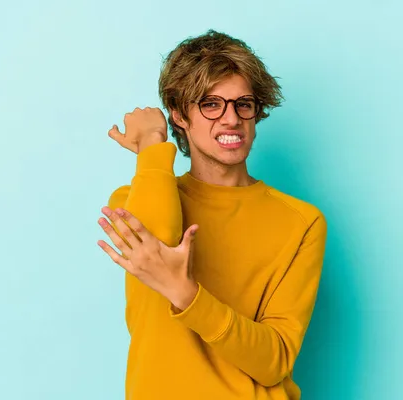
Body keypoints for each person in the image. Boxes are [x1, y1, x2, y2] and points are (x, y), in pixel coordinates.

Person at [97, 30, 328, 400]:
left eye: (243, 104)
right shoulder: (135, 198)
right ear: (178, 114)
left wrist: (186, 294)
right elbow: (160, 245)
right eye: (209, 104)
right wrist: (152, 147)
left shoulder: (301, 222)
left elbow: (274, 361)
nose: (230, 119)